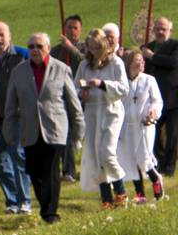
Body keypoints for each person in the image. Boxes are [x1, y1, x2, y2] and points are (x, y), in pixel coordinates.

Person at [2, 32, 82, 224]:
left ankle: (50, 212)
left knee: (52, 170)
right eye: (31, 47)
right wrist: (8, 130)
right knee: (35, 171)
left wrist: (78, 131)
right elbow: (11, 104)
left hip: (54, 129)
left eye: (39, 46)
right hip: (30, 129)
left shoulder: (61, 69)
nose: (35, 50)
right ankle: (46, 205)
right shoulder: (19, 71)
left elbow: (73, 104)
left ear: (47, 48)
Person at [76, 28, 130, 208]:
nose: (94, 51)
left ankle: (121, 190)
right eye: (90, 48)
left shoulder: (115, 63)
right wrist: (81, 92)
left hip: (111, 110)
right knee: (95, 155)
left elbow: (124, 88)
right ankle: (106, 198)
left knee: (107, 152)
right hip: (91, 111)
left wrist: (102, 84)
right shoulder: (85, 65)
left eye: (97, 47)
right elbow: (75, 86)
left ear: (105, 45)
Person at [0, 21, 31, 215]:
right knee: (1, 162)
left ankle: (25, 201)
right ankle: (12, 201)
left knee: (18, 157)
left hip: (18, 116)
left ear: (9, 36)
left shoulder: (22, 56)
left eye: (2, 34)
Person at [118, 49, 163, 202]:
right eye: (138, 60)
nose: (142, 63)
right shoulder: (123, 81)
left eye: (143, 60)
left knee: (144, 157)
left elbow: (157, 100)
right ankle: (140, 194)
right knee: (131, 160)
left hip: (144, 125)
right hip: (127, 126)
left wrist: (152, 112)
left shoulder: (149, 80)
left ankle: (156, 181)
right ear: (130, 63)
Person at [141, 16, 178, 176]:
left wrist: (152, 57)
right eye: (157, 29)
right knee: (152, 131)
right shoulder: (147, 47)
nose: (160, 32)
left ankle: (169, 167)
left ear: (170, 30)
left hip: (172, 96)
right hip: (153, 98)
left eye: (164, 29)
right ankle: (157, 162)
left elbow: (173, 62)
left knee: (172, 134)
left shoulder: (175, 45)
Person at [52, 14, 87, 181]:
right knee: (64, 134)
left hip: (82, 96)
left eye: (75, 28)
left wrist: (71, 48)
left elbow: (86, 62)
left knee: (80, 133)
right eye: (69, 28)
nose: (71, 31)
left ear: (80, 30)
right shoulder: (56, 50)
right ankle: (68, 171)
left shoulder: (86, 47)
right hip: (61, 97)